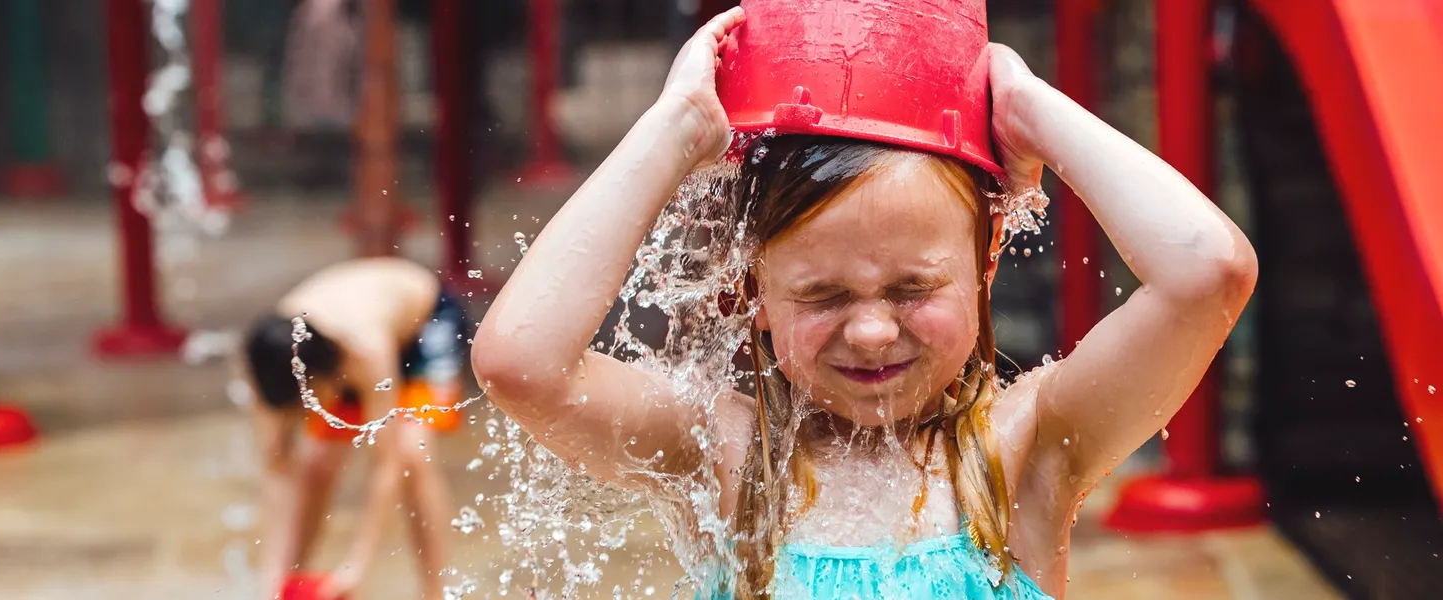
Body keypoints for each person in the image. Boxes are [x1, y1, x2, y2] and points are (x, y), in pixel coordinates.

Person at [471, 7, 1256, 600]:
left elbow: (1209, 274)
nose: (874, 329)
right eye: (823, 295)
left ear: (983, 268)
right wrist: (674, 131)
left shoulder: (1028, 447)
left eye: (913, 289)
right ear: (755, 294)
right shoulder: (724, 455)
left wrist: (1027, 108)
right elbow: (520, 363)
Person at [238, 257, 469, 600]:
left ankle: (435, 593)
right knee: (316, 465)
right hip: (343, 343)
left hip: (426, 322)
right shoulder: (268, 364)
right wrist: (271, 579)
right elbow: (278, 468)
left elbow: (385, 465)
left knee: (411, 454)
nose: (303, 413)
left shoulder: (366, 351)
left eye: (305, 403)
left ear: (320, 378)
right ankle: (289, 580)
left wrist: (357, 565)